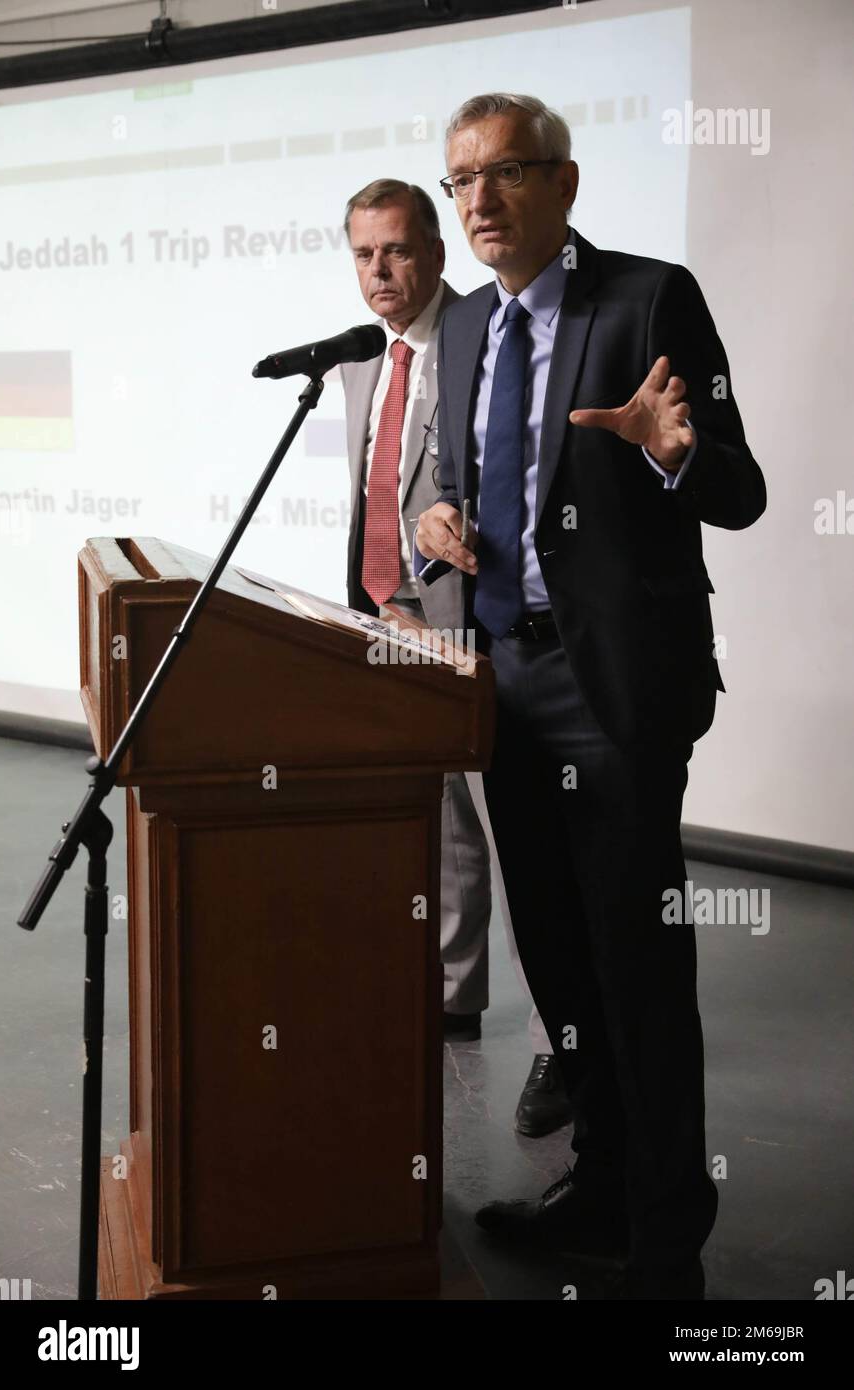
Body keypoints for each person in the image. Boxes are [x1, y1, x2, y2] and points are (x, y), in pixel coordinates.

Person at [415, 93, 766, 1299]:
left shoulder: (647, 296)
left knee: (637, 969)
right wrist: (436, 524)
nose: (478, 202)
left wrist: (669, 450)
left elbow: (742, 489)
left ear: (562, 185)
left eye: (504, 174)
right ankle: (598, 1185)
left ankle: (666, 1231)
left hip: (610, 693)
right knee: (559, 968)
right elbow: (464, 489)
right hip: (503, 684)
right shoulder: (460, 329)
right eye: (460, 182)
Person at [341, 178, 571, 1137]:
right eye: (363, 255)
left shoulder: (479, 336)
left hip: (477, 621)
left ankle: (565, 1036)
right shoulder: (365, 360)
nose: (381, 273)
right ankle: (455, 992)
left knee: (515, 829)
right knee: (444, 820)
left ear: (436, 251)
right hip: (390, 614)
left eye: (396, 250)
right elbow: (376, 487)